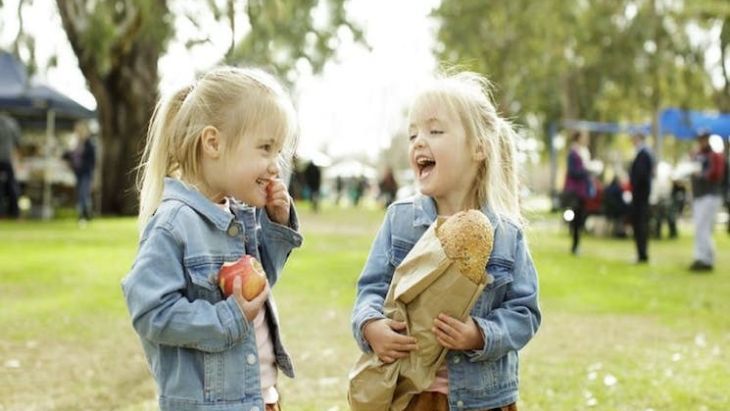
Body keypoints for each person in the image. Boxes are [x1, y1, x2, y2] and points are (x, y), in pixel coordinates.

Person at [351, 71, 541, 411]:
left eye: (435, 131)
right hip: (411, 394)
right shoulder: (400, 220)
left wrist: (481, 334)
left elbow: (524, 312)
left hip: (484, 400)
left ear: (479, 148)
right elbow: (371, 289)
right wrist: (371, 326)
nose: (419, 141)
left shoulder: (507, 235)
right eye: (413, 134)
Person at [121, 66, 303, 411]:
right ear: (213, 142)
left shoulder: (237, 214)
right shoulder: (175, 224)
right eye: (265, 148)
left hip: (260, 399)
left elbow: (258, 285)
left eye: (278, 151)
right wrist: (228, 318)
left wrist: (276, 226)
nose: (275, 166)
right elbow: (150, 312)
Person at [688, 131, 725, 272]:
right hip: (699, 195)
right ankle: (700, 257)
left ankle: (706, 259)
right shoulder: (698, 155)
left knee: (704, 228)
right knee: (699, 228)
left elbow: (716, 174)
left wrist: (702, 175)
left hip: (710, 195)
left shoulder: (715, 155)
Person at [563, 130, 594, 255]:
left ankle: (577, 244)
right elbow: (573, 172)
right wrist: (586, 171)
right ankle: (575, 245)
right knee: (576, 217)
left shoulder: (583, 153)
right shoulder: (573, 153)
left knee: (580, 217)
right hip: (575, 190)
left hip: (582, 191)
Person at [63, 121, 97, 223]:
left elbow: (92, 160)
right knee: (80, 193)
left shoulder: (89, 144)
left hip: (86, 172)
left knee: (84, 193)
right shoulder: (75, 144)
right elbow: (66, 155)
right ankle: (82, 214)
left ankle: (85, 214)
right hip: (78, 172)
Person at [629, 133, 654, 263]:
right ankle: (641, 253)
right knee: (639, 224)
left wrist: (634, 185)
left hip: (641, 195)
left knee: (640, 224)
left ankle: (642, 254)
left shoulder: (644, 154)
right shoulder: (643, 153)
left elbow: (641, 176)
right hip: (640, 195)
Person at [0, 112, 21, 218]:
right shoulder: (12, 123)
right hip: (7, 158)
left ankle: (2, 211)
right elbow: (18, 142)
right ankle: (14, 212)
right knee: (12, 185)